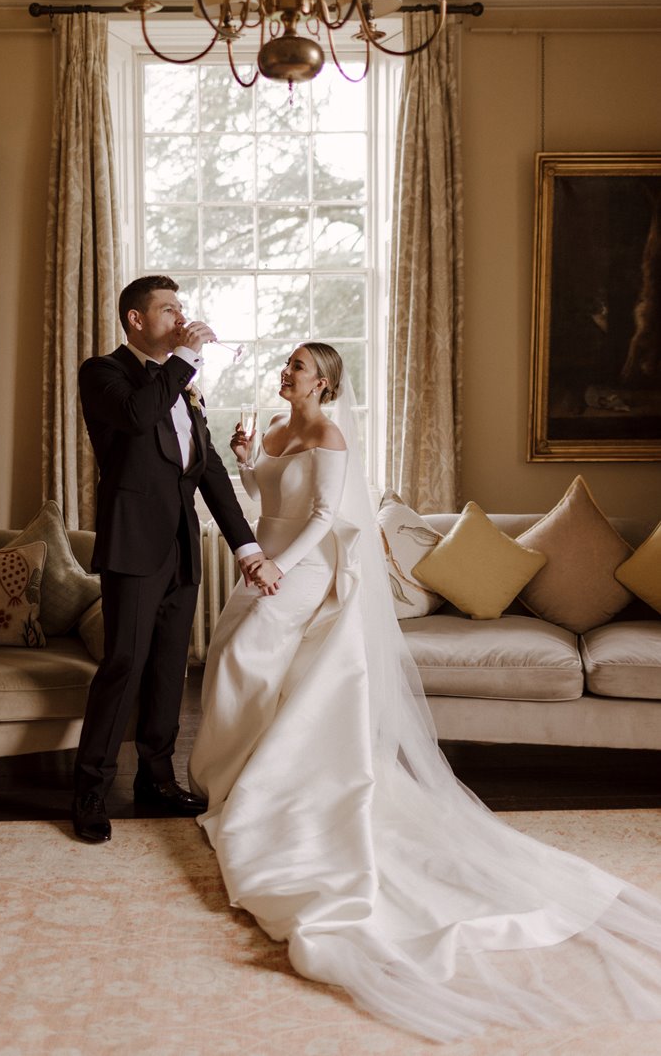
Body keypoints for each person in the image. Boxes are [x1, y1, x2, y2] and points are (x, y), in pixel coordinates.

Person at [189, 341, 661, 1043]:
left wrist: (277, 571)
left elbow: (323, 517)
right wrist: (244, 457)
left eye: (298, 367)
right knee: (234, 662)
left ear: (323, 382)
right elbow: (266, 497)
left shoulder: (330, 432)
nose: (286, 372)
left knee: (244, 657)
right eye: (286, 364)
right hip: (271, 564)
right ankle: (232, 777)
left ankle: (264, 786)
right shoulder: (284, 430)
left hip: (304, 569)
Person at [72, 275, 264, 843]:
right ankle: (89, 791)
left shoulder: (181, 386)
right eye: (168, 309)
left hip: (182, 548)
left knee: (167, 671)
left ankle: (157, 779)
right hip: (132, 547)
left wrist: (246, 546)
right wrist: (184, 358)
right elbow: (135, 416)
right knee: (124, 665)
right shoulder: (103, 373)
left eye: (183, 309)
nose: (182, 319)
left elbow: (207, 472)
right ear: (136, 319)